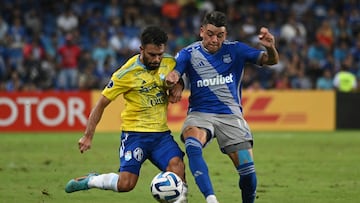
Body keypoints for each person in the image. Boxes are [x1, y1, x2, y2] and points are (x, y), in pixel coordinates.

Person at [166, 11, 279, 203]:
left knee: (248, 174)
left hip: (230, 116)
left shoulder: (236, 50)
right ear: (202, 31)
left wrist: (270, 48)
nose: (214, 39)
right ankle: (211, 199)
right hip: (200, 114)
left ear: (225, 35)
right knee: (193, 144)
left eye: (220, 35)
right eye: (210, 34)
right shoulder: (189, 53)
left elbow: (271, 60)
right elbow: (177, 72)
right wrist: (174, 81)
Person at [65, 26, 187, 203]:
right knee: (126, 184)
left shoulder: (169, 62)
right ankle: (91, 180)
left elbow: (181, 75)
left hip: (161, 135)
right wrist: (87, 136)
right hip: (134, 135)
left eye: (160, 54)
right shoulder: (125, 74)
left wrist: (179, 86)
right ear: (141, 49)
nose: (157, 59)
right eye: (152, 55)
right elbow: (100, 105)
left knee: (178, 169)